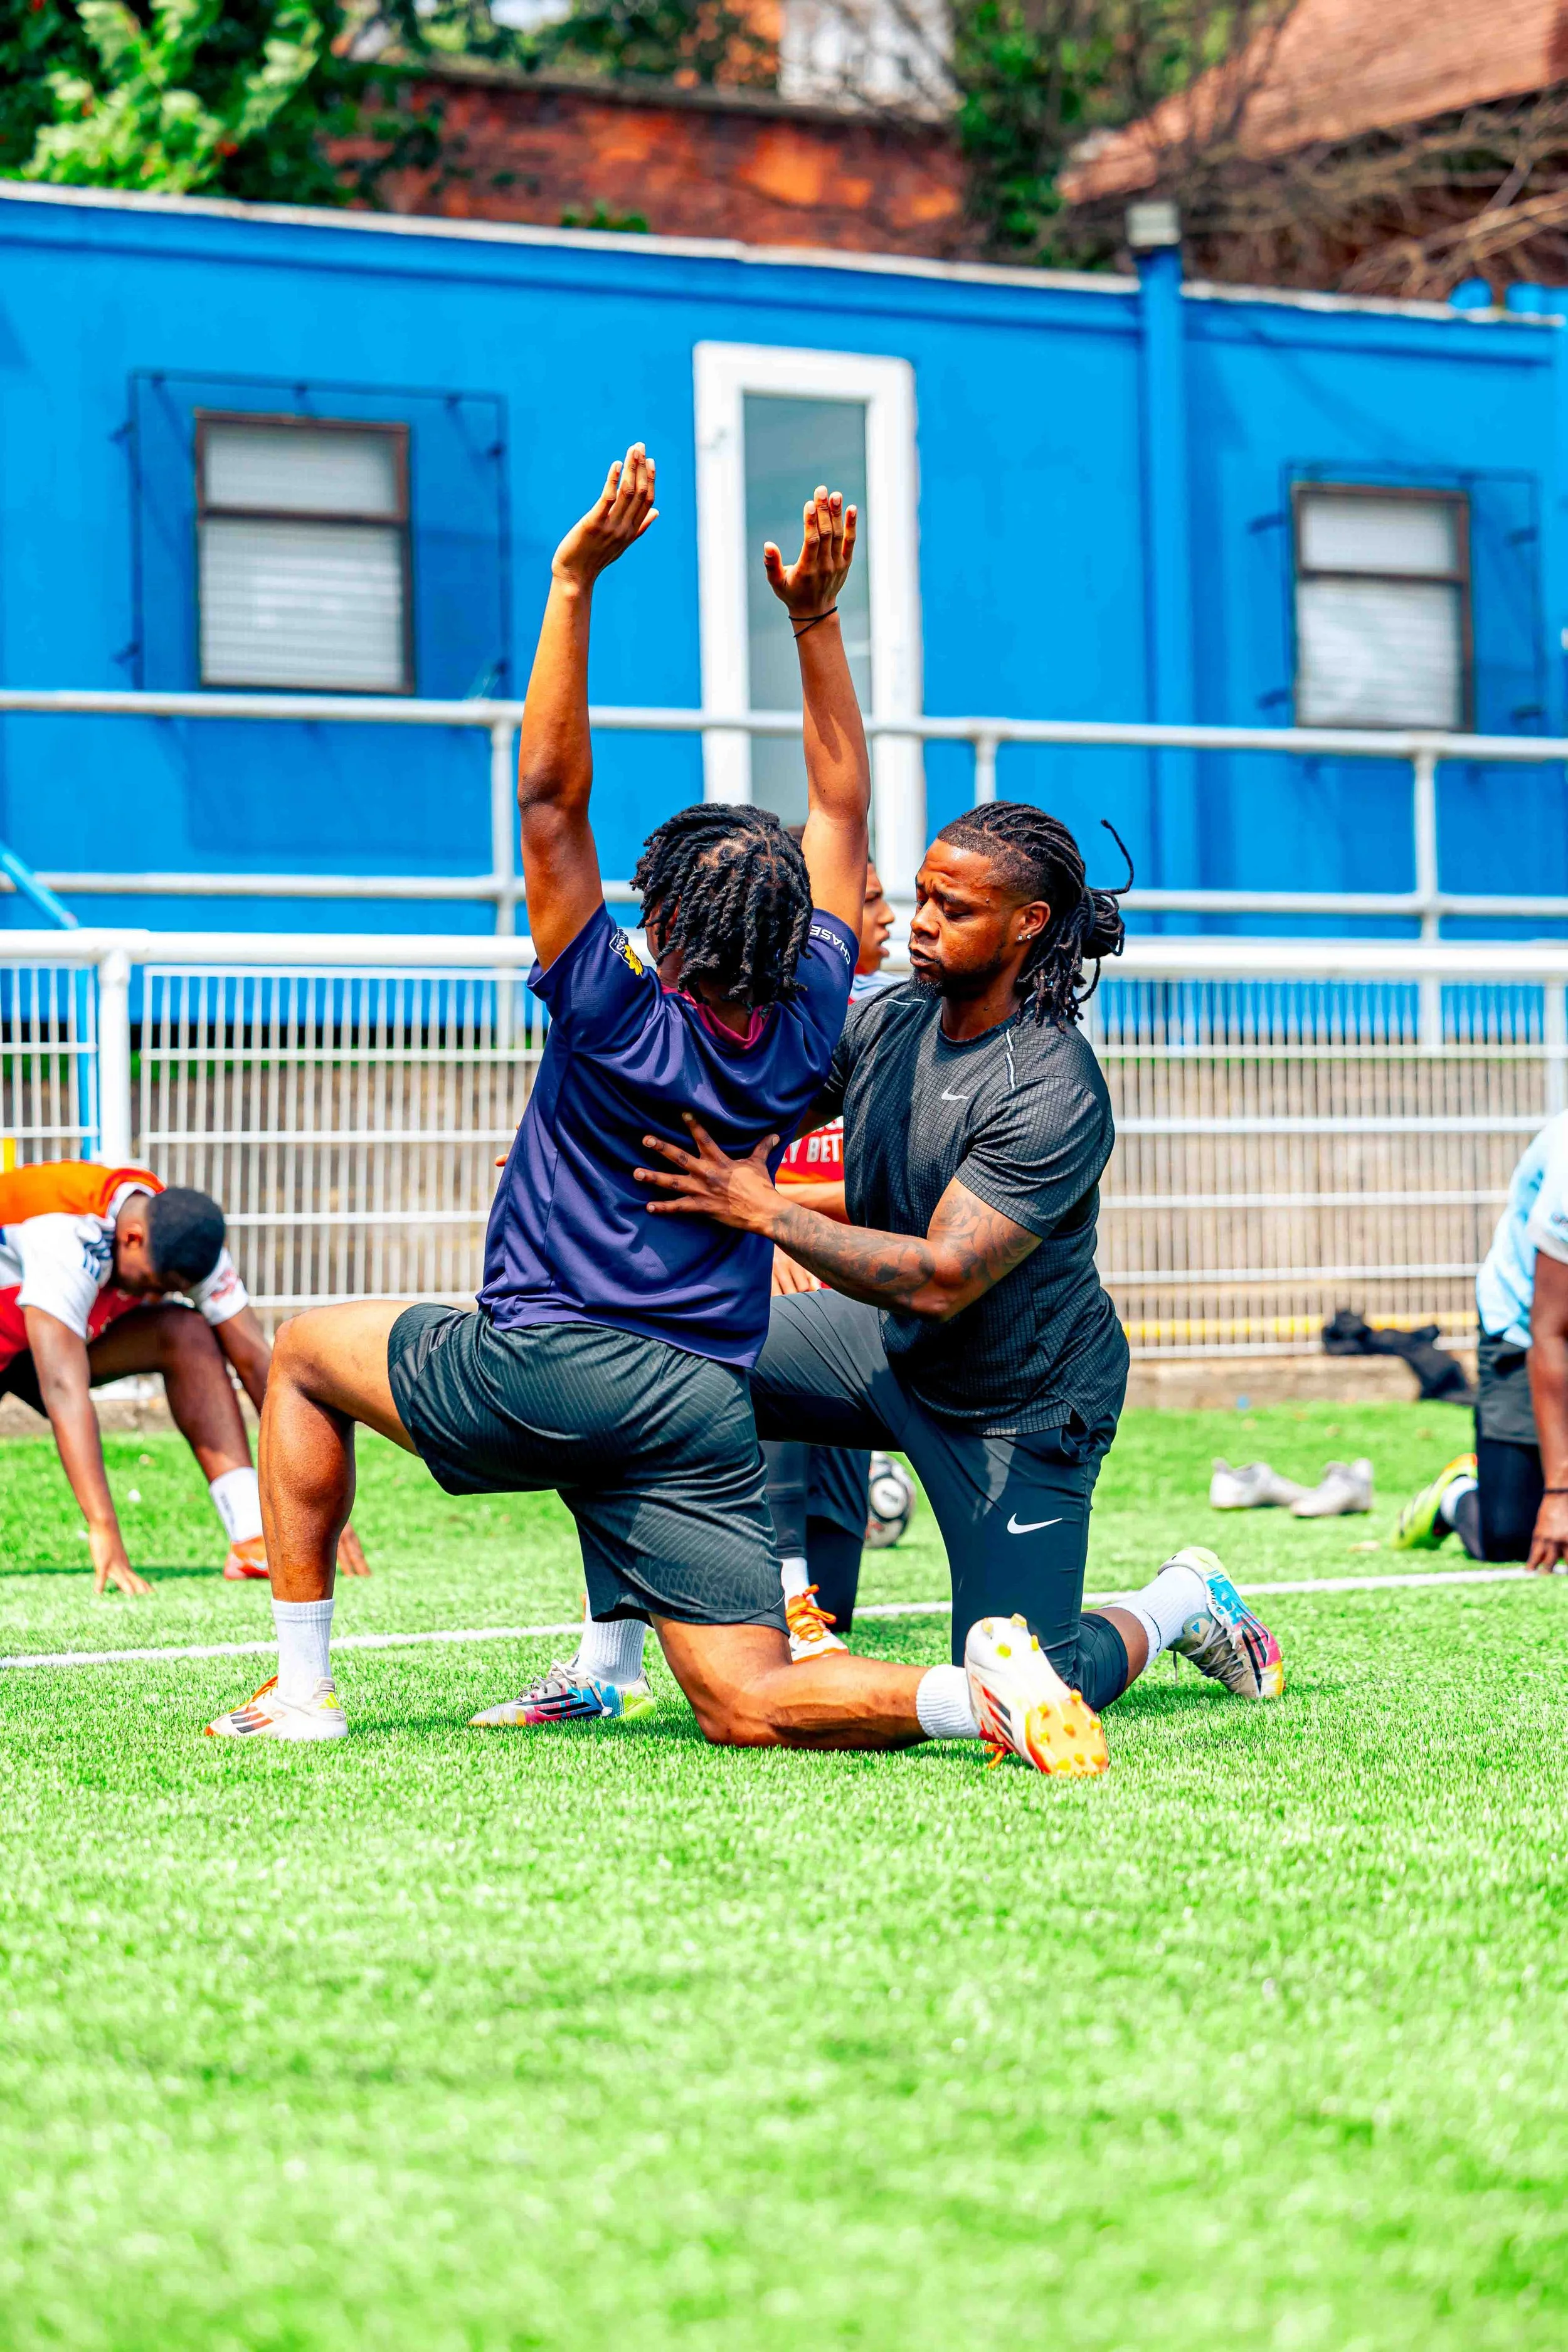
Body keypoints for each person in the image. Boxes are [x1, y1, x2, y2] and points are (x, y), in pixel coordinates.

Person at [631, 798, 1286, 1729]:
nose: (922, 923)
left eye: (956, 908)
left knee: (1035, 1681)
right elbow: (754, 1111)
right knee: (655, 1357)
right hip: (886, 1348)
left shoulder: (1052, 1086)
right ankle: (625, 1657)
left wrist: (766, 1211)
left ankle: (1181, 1600)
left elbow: (943, 1275)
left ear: (1029, 924)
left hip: (1018, 1401)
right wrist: (596, 1151)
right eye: (923, 897)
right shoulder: (894, 1017)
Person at [0, 1159, 367, 1594]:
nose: (156, 1298)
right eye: (153, 1284)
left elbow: (257, 1362)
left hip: (43, 1341)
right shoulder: (65, 1234)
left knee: (188, 1333)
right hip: (36, 1342)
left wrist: (318, 1496)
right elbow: (62, 1387)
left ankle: (250, 1536)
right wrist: (104, 1527)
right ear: (132, 1238)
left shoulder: (187, 1239)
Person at [1392, 1109, 1568, 1568]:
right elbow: (1550, 1332)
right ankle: (1458, 1494)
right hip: (1526, 1328)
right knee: (1514, 1538)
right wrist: (1560, 1492)